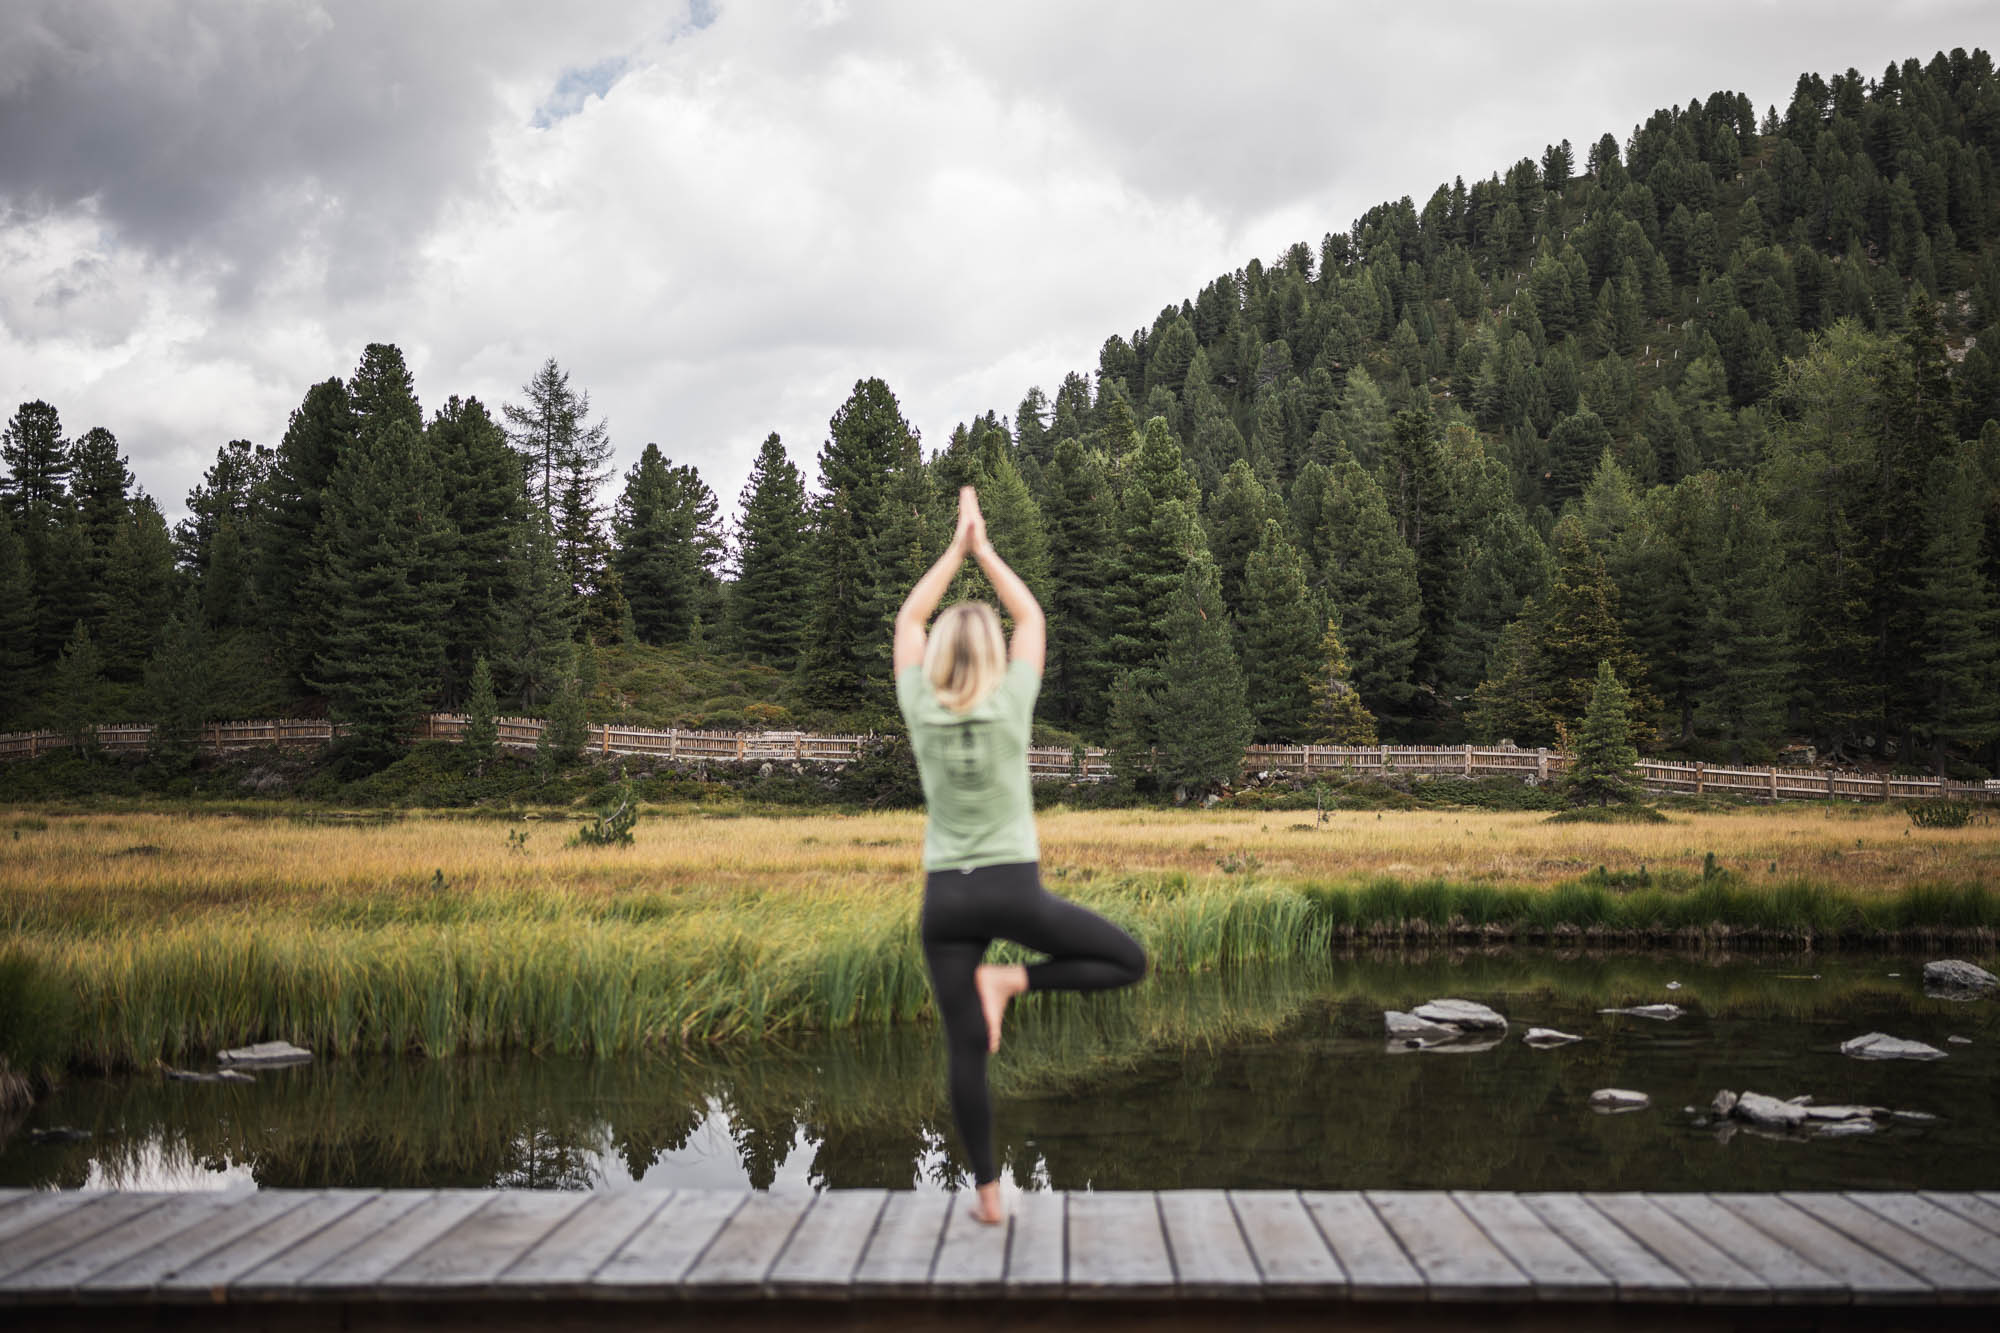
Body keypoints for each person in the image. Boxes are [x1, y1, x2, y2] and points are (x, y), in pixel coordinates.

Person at [894, 485, 1148, 1225]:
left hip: (946, 903)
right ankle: (1012, 980)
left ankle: (989, 1198)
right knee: (1127, 960)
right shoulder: (1010, 704)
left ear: (939, 655)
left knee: (964, 1051)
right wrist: (986, 549)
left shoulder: (921, 707)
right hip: (1013, 891)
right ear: (998, 657)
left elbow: (910, 616)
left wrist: (954, 549)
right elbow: (1031, 615)